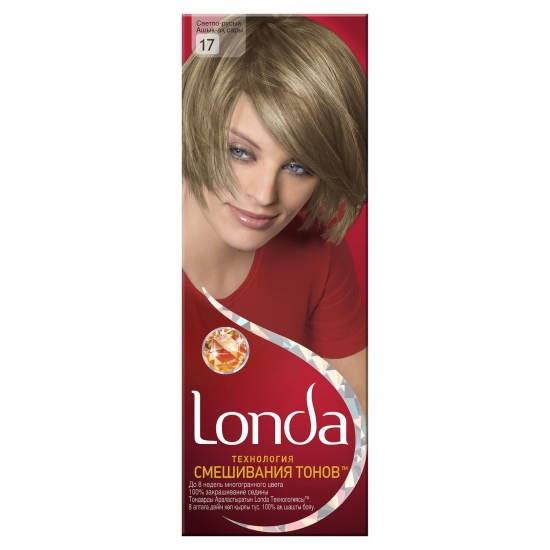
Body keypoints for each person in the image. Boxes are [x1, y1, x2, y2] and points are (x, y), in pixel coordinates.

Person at [182, 15, 367, 415]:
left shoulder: (317, 254)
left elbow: (359, 423)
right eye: (240, 152)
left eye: (298, 166)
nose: (264, 195)